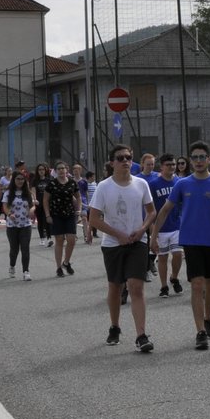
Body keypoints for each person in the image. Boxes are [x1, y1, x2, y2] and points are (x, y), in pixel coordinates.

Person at [152, 143, 210, 351]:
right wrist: (153, 236)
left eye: (202, 157)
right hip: (191, 241)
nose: (199, 161)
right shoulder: (182, 185)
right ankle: (200, 331)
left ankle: (208, 319)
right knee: (197, 284)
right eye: (195, 158)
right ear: (191, 161)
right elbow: (164, 210)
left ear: (209, 159)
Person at [87, 144, 155, 353]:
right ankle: (115, 326)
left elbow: (151, 211)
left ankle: (141, 335)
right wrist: (119, 235)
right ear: (111, 162)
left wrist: (143, 229)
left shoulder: (141, 184)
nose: (125, 161)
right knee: (116, 287)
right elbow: (93, 219)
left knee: (136, 286)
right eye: (120, 158)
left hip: (137, 242)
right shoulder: (104, 187)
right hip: (113, 244)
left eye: (128, 157)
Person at [147, 155, 184, 297]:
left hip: (177, 225)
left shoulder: (180, 182)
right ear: (161, 166)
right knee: (162, 258)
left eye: (173, 164)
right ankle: (163, 286)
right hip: (160, 228)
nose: (172, 167)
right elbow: (149, 209)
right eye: (168, 164)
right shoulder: (154, 184)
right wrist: (153, 233)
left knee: (178, 254)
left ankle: (174, 277)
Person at [43, 161, 81, 276]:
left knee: (71, 240)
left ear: (66, 170)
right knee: (59, 240)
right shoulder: (51, 184)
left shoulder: (72, 183)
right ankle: (59, 267)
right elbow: (45, 200)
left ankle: (66, 262)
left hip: (69, 214)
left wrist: (78, 211)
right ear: (55, 171)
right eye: (58, 169)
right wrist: (47, 215)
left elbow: (78, 197)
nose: (61, 171)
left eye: (62, 168)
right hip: (56, 214)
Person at [3, 170, 36, 280]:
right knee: (14, 249)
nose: (20, 181)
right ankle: (12, 266)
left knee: (25, 248)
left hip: (26, 225)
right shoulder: (8, 193)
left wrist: (32, 210)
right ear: (14, 180)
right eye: (18, 179)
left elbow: (32, 205)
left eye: (22, 179)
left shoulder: (28, 193)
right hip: (12, 225)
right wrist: (9, 214)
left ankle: (26, 271)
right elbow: (5, 206)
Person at [32, 163, 54, 246]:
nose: (41, 171)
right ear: (37, 171)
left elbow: (52, 191)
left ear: (45, 171)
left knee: (47, 220)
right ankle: (42, 238)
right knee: (40, 221)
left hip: (48, 203)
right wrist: (34, 199)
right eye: (39, 170)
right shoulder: (35, 181)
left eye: (43, 170)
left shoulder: (49, 180)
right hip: (39, 203)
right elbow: (33, 191)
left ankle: (49, 238)